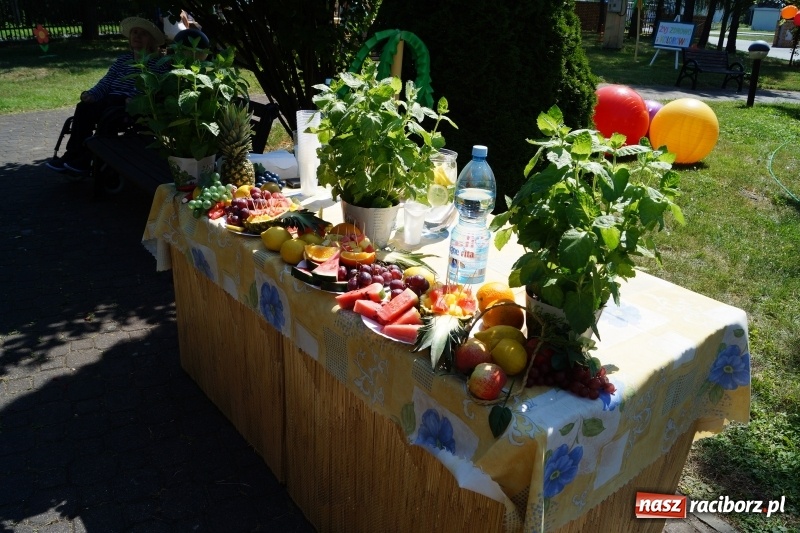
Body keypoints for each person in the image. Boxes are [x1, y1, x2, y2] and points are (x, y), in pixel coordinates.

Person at [46, 17, 169, 174]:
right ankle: (72, 155)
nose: (137, 36)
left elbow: (153, 90)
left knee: (110, 112)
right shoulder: (122, 60)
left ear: (151, 40)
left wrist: (136, 100)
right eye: (134, 33)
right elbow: (106, 83)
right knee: (84, 107)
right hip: (111, 100)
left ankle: (87, 159)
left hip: (130, 105)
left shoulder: (158, 64)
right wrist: (91, 94)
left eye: (143, 34)